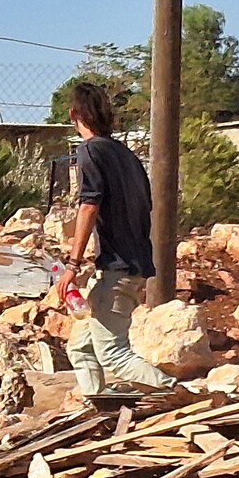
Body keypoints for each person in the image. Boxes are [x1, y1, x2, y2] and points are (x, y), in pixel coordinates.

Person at [62, 79, 175, 399]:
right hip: (133, 265)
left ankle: (176, 392)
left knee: (114, 354)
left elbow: (89, 204)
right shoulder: (126, 156)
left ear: (73, 114)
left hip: (116, 268)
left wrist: (72, 265)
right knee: (81, 347)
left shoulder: (89, 151)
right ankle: (99, 403)